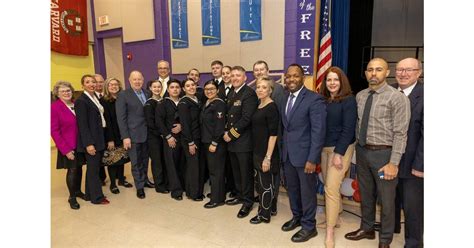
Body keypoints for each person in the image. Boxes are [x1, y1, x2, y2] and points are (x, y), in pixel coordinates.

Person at [344, 58, 410, 248]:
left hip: (384, 156)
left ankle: (385, 240)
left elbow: (400, 134)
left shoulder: (397, 98)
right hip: (363, 152)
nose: (373, 73)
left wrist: (394, 163)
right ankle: (367, 229)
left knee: (387, 200)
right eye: (370, 70)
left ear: (387, 72)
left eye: (378, 69)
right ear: (365, 73)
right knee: (366, 194)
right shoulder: (361, 96)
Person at [280, 64, 326, 243]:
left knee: (307, 193)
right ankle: (297, 217)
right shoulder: (285, 98)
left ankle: (309, 226)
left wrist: (312, 159)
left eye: (295, 76)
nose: (291, 79)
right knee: (292, 190)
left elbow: (318, 132)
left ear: (303, 77)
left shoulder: (314, 99)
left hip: (306, 157)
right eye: (288, 76)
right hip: (288, 156)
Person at [318, 66, 357, 248]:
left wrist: (339, 154)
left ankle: (330, 231)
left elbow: (349, 129)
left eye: (335, 80)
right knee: (328, 183)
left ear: (342, 82)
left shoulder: (348, 100)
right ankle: (337, 216)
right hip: (324, 147)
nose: (332, 83)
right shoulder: (323, 100)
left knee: (331, 188)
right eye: (329, 80)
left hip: (341, 147)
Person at [394, 58, 424, 248]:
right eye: (399, 70)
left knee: (413, 207)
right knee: (390, 199)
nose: (403, 74)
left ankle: (413, 242)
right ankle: (392, 228)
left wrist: (420, 165)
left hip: (412, 164)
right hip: (388, 160)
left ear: (419, 72)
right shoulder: (388, 91)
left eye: (408, 70)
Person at [223, 66, 258, 219]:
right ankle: (239, 195)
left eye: (238, 75)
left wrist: (231, 133)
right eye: (233, 75)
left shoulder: (249, 94)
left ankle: (248, 201)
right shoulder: (232, 92)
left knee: (245, 173)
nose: (235, 78)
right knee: (236, 172)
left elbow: (246, 119)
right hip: (232, 142)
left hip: (243, 141)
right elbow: (228, 115)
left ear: (245, 78)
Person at [249, 77, 280, 224]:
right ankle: (270, 209)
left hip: (266, 153)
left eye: (264, 87)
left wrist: (267, 157)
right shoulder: (259, 104)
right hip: (257, 151)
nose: (260, 89)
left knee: (265, 185)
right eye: (258, 87)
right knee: (262, 183)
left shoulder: (271, 107)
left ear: (270, 90)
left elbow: (273, 135)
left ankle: (264, 215)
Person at [75, 74, 110, 205]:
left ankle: (90, 194)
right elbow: (82, 125)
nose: (91, 84)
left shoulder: (94, 97)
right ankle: (97, 197)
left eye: (93, 82)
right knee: (94, 170)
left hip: (99, 137)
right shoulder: (81, 101)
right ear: (82, 85)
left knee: (93, 168)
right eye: (88, 82)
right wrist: (89, 144)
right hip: (91, 141)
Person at [51, 81, 86, 210]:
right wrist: (65, 150)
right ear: (57, 94)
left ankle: (78, 191)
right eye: (63, 91)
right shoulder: (55, 107)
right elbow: (54, 131)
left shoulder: (76, 104)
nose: (66, 93)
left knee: (80, 167)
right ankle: (72, 197)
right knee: (72, 170)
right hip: (67, 145)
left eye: (68, 90)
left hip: (80, 144)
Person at [116, 70, 150, 199]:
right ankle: (139, 186)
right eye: (134, 79)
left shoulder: (147, 93)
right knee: (136, 162)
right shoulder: (123, 95)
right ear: (129, 81)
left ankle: (145, 179)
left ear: (143, 80)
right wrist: (125, 136)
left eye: (139, 79)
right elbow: (121, 118)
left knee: (145, 159)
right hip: (133, 134)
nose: (137, 81)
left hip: (147, 133)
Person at [100, 77, 134, 194]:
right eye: (111, 85)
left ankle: (121, 179)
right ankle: (113, 184)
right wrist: (110, 139)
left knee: (121, 158)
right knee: (112, 160)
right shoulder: (104, 101)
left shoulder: (122, 98)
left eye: (116, 84)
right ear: (107, 87)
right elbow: (107, 121)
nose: (114, 86)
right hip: (112, 134)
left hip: (123, 133)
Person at [155, 79, 185, 200]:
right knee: (172, 165)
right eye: (172, 87)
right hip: (170, 139)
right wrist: (168, 136)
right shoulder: (162, 103)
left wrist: (182, 126)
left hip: (183, 137)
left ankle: (183, 185)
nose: (175, 89)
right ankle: (176, 191)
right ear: (168, 89)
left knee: (182, 163)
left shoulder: (184, 102)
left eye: (177, 87)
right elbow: (159, 122)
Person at [201, 80, 227, 208]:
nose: (209, 91)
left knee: (216, 172)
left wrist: (214, 142)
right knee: (214, 170)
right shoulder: (207, 103)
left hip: (215, 143)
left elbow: (219, 126)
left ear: (217, 90)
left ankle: (217, 199)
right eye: (206, 89)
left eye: (212, 89)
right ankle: (217, 193)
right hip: (207, 141)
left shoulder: (219, 104)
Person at [178, 78, 205, 201]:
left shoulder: (197, 99)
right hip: (190, 139)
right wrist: (190, 142)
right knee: (193, 167)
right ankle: (193, 193)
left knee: (197, 166)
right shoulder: (184, 102)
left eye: (192, 85)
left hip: (198, 137)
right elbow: (185, 124)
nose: (191, 87)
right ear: (183, 89)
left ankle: (197, 190)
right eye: (187, 86)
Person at [144, 79, 169, 194]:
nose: (157, 89)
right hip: (154, 137)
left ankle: (166, 181)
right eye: (154, 87)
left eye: (159, 87)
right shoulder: (149, 103)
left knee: (164, 160)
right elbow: (150, 123)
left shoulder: (163, 101)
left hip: (163, 136)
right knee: (157, 161)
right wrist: (161, 133)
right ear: (150, 88)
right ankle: (159, 185)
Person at [94, 74, 107, 185]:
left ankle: (118, 176)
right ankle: (100, 177)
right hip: (97, 132)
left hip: (107, 130)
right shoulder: (91, 97)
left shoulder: (107, 95)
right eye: (96, 82)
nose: (98, 84)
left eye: (101, 82)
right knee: (99, 156)